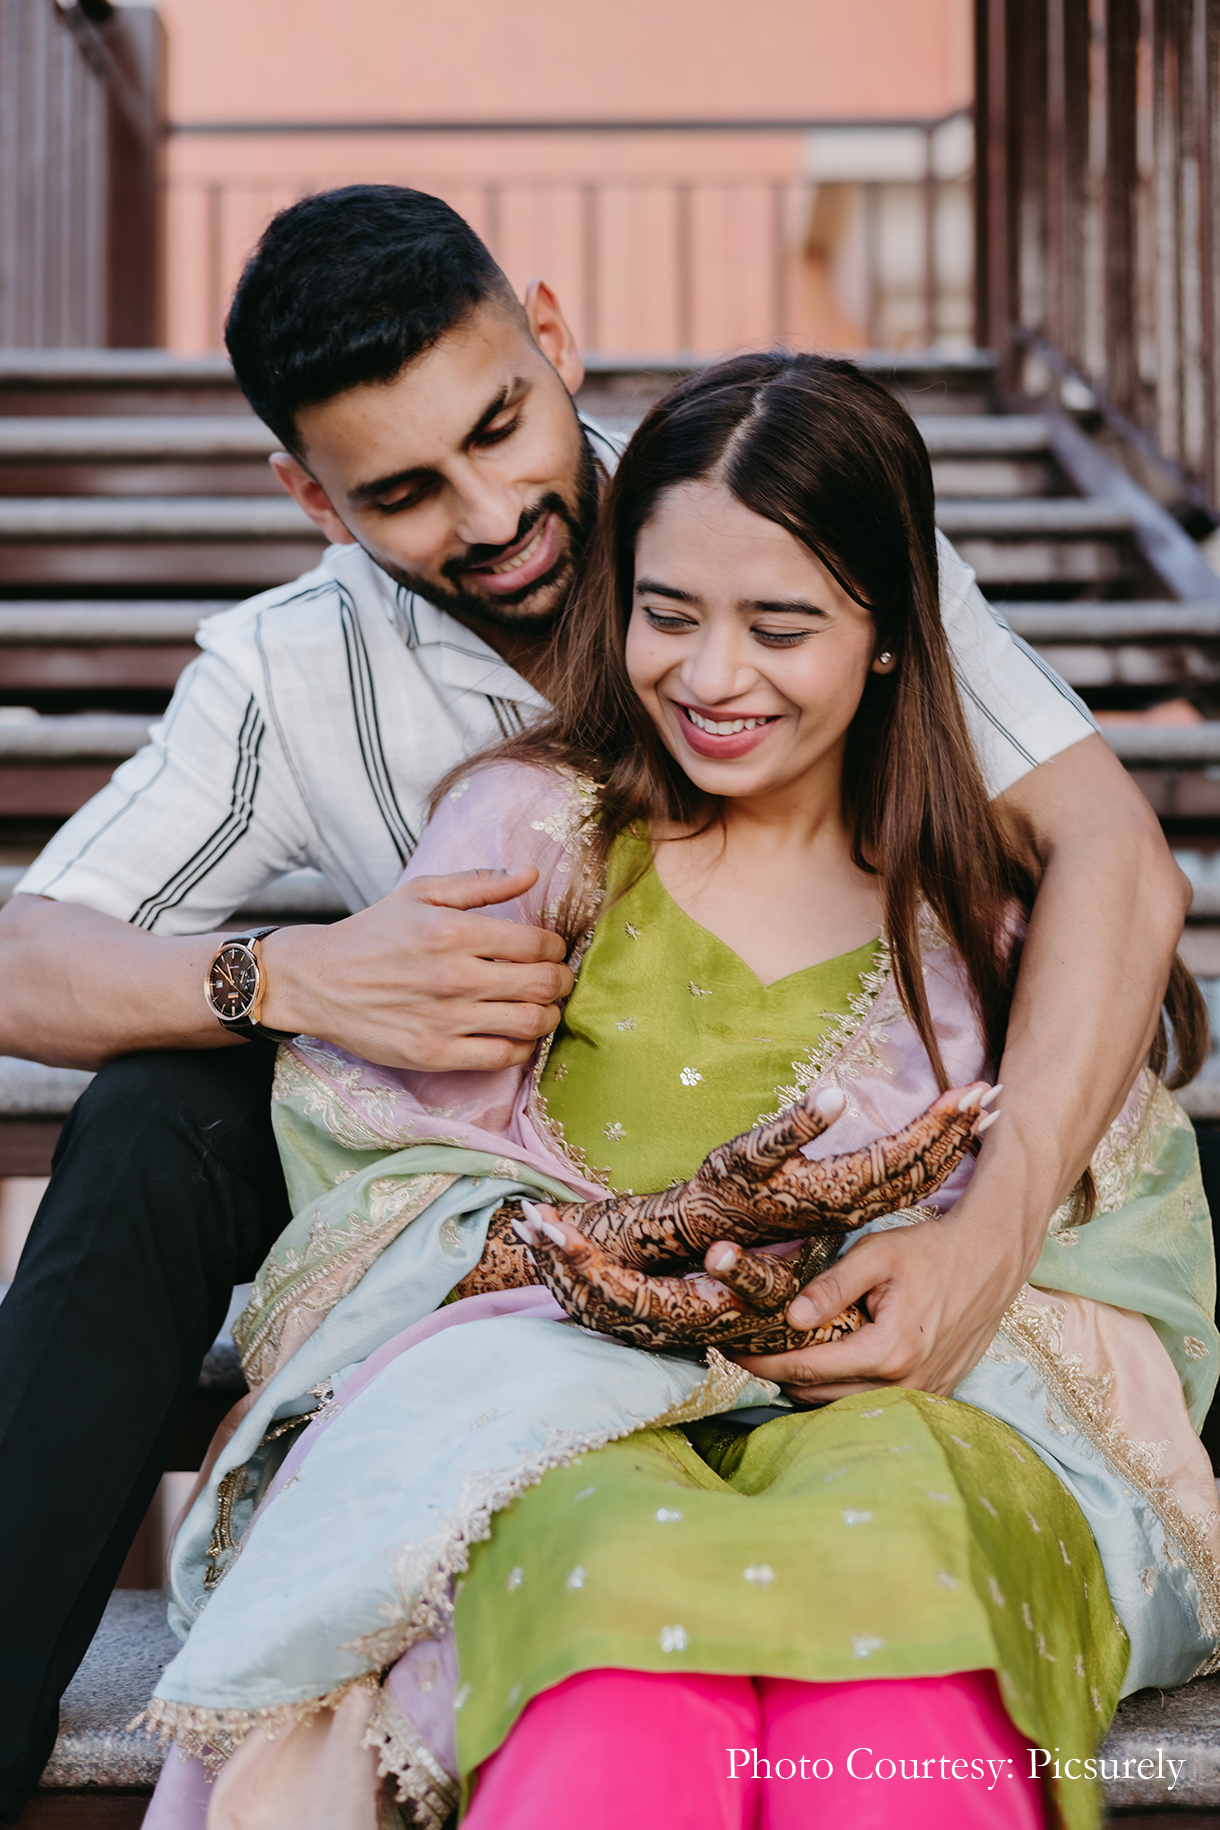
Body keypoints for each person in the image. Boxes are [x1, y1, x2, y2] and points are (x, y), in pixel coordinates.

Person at [0, 184, 1190, 1821]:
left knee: (1108, 1135)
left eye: (503, 425)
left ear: (552, 336)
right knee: (145, 1122)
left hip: (866, 1105)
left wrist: (993, 1224)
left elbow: (1114, 852)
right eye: (406, 491)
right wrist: (289, 973)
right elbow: (26, 956)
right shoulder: (290, 670)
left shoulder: (765, 503)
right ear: (308, 496)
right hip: (465, 1130)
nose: (494, 513)